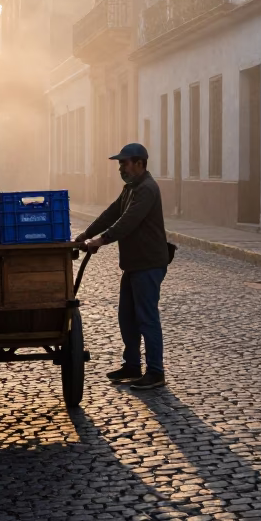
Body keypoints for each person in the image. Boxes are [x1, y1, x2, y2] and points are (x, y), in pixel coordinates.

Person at [76, 143, 169, 390]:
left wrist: (100, 240)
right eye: (120, 164)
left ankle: (156, 371)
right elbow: (111, 213)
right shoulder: (131, 189)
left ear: (139, 163)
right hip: (133, 263)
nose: (121, 168)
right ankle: (132, 365)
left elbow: (127, 222)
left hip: (149, 263)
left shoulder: (147, 189)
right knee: (126, 316)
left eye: (124, 163)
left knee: (147, 318)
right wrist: (85, 234)